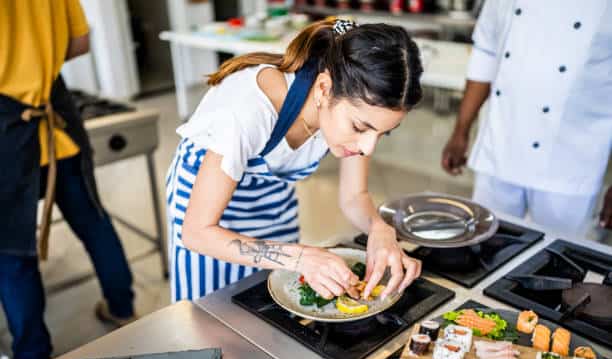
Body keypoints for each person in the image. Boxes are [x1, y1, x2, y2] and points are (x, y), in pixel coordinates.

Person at [166, 18, 424, 302]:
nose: (367, 147)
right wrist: (301, 257)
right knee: (211, 317)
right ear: (324, 89)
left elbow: (354, 196)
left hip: (272, 204)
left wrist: (380, 229)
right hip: (205, 215)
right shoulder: (247, 110)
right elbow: (197, 233)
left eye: (382, 134)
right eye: (361, 128)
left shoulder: (344, 104)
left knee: (265, 306)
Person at [0, 0, 136, 359]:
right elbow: (79, 42)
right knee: (93, 221)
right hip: (56, 121)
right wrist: (35, 63)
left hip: (7, 139)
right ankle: (122, 308)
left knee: (12, 254)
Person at [441, 0, 612, 237]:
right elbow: (486, 54)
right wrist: (460, 131)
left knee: (559, 261)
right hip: (499, 147)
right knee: (487, 249)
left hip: (573, 162)